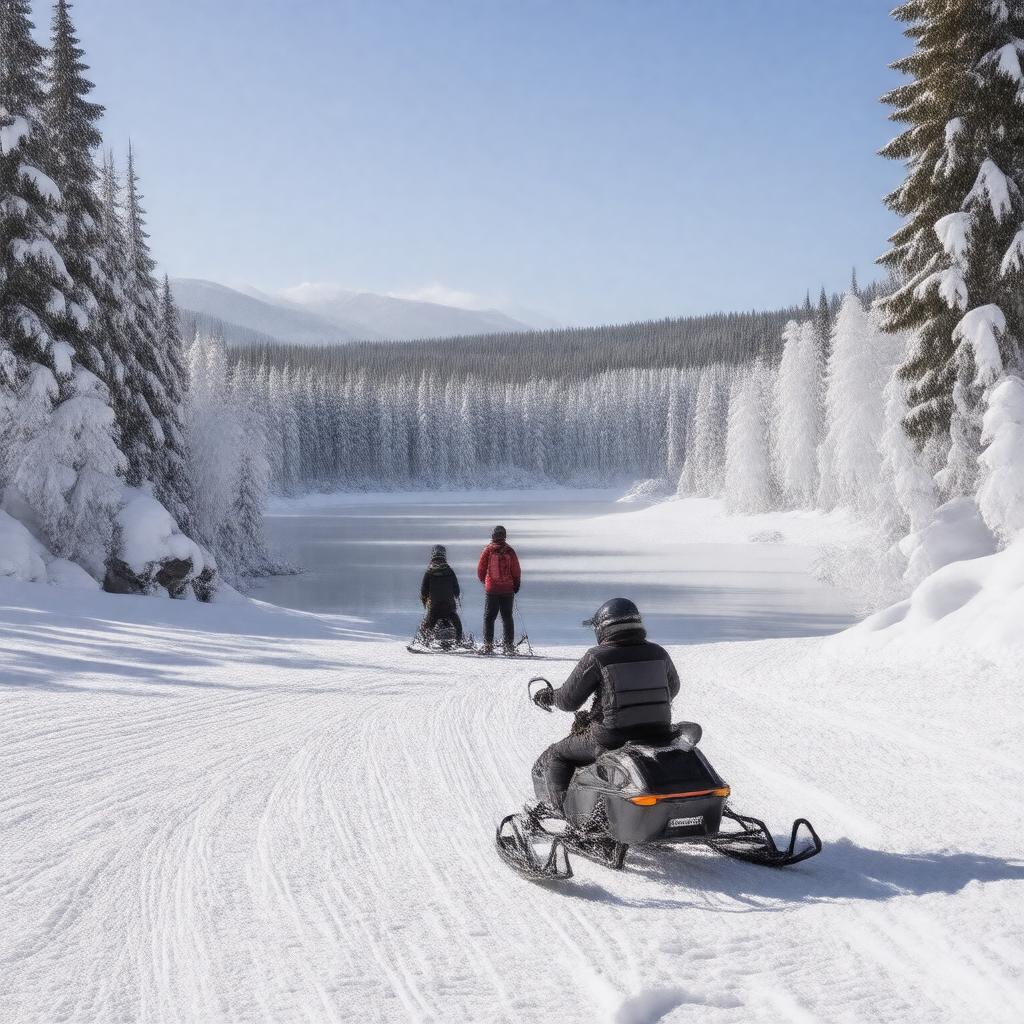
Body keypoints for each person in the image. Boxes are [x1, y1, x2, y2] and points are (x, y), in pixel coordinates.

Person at [532, 598, 680, 814]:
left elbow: (568, 700)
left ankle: (563, 815)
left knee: (557, 754)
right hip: (658, 733)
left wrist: (548, 697)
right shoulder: (659, 653)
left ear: (603, 628)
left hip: (612, 738)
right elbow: (672, 689)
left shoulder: (597, 657)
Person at [476, 524, 521, 654]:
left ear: (493, 536)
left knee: (489, 617)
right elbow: (516, 570)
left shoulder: (488, 550)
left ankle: (488, 645)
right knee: (507, 617)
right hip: (508, 589)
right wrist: (516, 584)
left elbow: (480, 570)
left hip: (492, 590)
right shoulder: (510, 551)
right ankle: (508, 646)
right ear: (504, 536)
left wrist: (485, 582)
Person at [419, 544, 463, 643]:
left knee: (428, 623)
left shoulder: (429, 572)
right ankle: (459, 640)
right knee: (457, 622)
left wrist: (424, 602)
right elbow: (457, 590)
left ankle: (425, 641)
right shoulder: (450, 571)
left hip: (434, 607)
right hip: (449, 607)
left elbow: (423, 591)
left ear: (433, 556)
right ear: (444, 555)